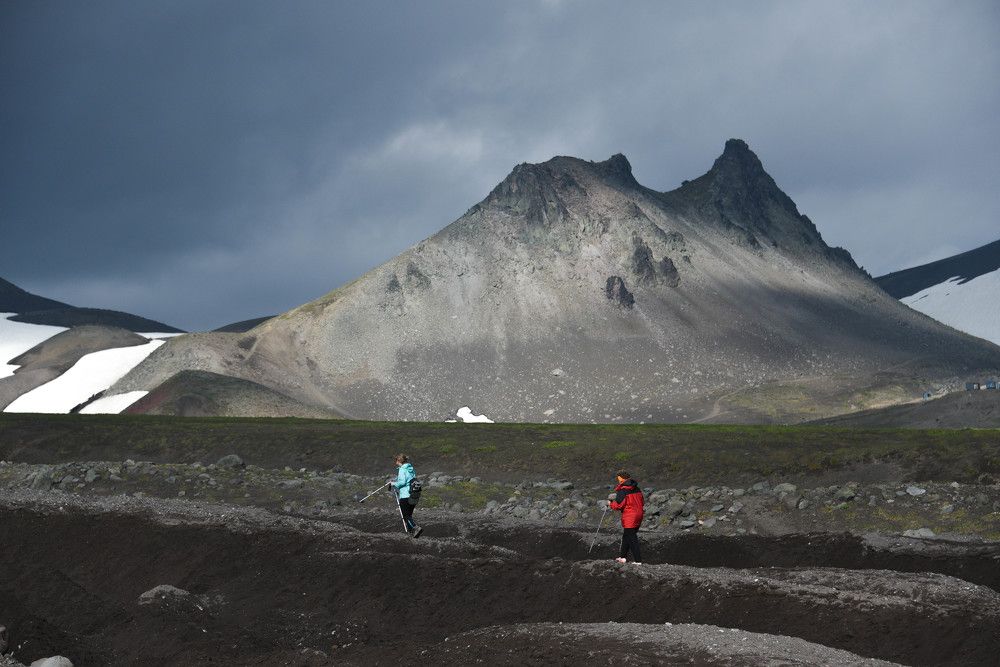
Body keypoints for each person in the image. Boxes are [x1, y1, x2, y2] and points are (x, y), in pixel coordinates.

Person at [608, 470, 644, 564]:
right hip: (639, 514)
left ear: (622, 479)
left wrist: (610, 504)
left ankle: (638, 561)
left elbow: (618, 505)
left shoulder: (623, 490)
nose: (618, 481)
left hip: (630, 516)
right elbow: (642, 502)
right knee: (626, 536)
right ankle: (622, 557)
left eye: (619, 479)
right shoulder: (637, 488)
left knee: (632, 538)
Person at [392, 453, 422, 538]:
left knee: (405, 515)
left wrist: (393, 483)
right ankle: (412, 533)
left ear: (399, 461)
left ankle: (416, 528)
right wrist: (396, 481)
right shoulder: (410, 469)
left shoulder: (402, 469)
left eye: (396, 461)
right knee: (409, 515)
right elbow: (408, 480)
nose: (395, 463)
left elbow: (402, 482)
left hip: (405, 495)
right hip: (413, 494)